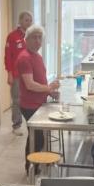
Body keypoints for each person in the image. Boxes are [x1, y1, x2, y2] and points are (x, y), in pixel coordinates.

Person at [16, 24, 60, 173]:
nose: (37, 41)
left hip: (39, 103)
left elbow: (40, 80)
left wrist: (49, 92)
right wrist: (49, 88)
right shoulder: (24, 58)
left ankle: (34, 165)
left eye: (40, 38)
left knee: (37, 136)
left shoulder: (37, 56)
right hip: (29, 105)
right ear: (26, 39)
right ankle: (31, 167)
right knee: (36, 137)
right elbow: (30, 85)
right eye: (34, 37)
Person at [4, 11, 33, 136]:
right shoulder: (12, 36)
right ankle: (16, 125)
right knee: (17, 100)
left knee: (30, 98)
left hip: (29, 74)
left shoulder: (31, 36)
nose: (29, 22)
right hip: (16, 74)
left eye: (30, 20)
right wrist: (9, 73)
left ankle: (31, 123)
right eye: (26, 20)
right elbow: (8, 57)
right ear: (20, 21)